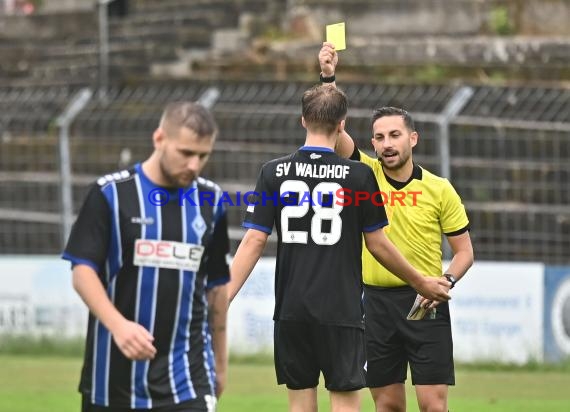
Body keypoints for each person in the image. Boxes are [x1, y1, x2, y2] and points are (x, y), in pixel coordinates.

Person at [228, 84, 451, 412]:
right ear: (343, 123)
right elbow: (377, 245)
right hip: (341, 313)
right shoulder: (359, 177)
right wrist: (421, 281)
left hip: (291, 310)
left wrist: (222, 299)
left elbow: (253, 241)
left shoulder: (272, 173)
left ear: (303, 120)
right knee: (346, 403)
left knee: (300, 405)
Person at [319, 42, 475, 412]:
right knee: (388, 406)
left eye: (395, 135)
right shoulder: (365, 174)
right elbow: (331, 127)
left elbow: (465, 252)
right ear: (371, 142)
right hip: (374, 305)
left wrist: (445, 282)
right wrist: (328, 78)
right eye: (379, 137)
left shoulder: (439, 188)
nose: (386, 144)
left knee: (432, 406)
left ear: (413, 138)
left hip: (425, 303)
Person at [62, 102, 230, 412]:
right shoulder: (109, 194)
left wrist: (220, 365)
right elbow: (82, 272)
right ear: (159, 139)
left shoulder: (211, 201)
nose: (194, 165)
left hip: (188, 378)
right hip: (112, 381)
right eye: (185, 152)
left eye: (203, 156)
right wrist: (119, 326)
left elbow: (217, 287)